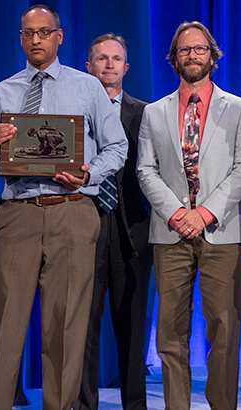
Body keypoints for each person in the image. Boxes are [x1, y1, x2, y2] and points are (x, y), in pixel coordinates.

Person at [0, 5, 128, 409]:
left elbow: (118, 146)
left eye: (44, 32)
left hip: (72, 211)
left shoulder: (87, 87)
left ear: (59, 37)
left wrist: (89, 173)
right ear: (21, 38)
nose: (37, 40)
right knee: (6, 324)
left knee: (65, 327)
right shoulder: (3, 92)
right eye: (29, 33)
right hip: (18, 212)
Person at [136, 21, 241, 410]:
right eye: (184, 50)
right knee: (170, 333)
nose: (192, 55)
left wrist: (203, 213)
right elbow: (145, 170)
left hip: (221, 231)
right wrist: (177, 214)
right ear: (174, 58)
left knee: (224, 329)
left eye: (199, 49)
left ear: (212, 55)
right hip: (170, 234)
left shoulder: (240, 109)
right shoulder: (154, 113)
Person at [77, 33, 151, 410]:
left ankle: (134, 404)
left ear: (126, 66)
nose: (109, 64)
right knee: (81, 327)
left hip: (131, 231)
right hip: (82, 227)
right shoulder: (73, 112)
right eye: (101, 58)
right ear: (88, 66)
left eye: (116, 58)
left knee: (132, 327)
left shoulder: (145, 113)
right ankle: (84, 404)